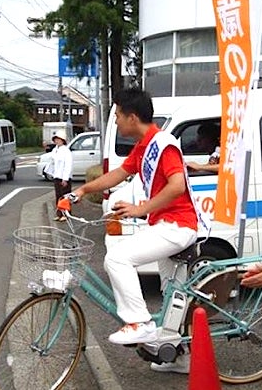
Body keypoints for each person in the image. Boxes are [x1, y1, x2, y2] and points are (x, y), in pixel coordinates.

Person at [72, 88, 200, 347]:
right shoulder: (144, 146)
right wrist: (83, 190)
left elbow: (177, 186)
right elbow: (118, 174)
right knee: (172, 297)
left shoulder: (163, 144)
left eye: (118, 116)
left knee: (117, 258)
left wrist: (141, 209)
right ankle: (178, 356)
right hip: (165, 224)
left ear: (132, 117)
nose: (116, 121)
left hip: (177, 226)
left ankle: (140, 323)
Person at [45, 129, 73, 222]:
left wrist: (65, 178)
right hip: (57, 176)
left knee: (65, 196)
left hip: (64, 177)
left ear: (62, 140)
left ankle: (66, 214)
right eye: (55, 139)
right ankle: (59, 214)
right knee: (58, 196)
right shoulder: (55, 150)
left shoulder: (66, 151)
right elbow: (52, 162)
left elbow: (68, 165)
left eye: (58, 139)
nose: (56, 141)